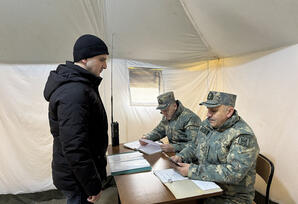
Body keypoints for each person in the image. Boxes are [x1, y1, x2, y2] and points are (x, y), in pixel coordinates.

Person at [44, 34, 109, 204]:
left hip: (77, 175)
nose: (105, 66)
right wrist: (92, 185)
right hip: (78, 179)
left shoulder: (80, 85)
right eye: (101, 59)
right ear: (84, 59)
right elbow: (74, 146)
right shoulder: (74, 91)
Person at [171, 91, 260, 204]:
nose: (208, 114)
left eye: (213, 111)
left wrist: (193, 171)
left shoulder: (242, 136)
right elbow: (196, 146)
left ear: (229, 112)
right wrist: (181, 156)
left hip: (231, 197)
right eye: (208, 109)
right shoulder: (207, 124)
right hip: (206, 187)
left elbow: (233, 173)